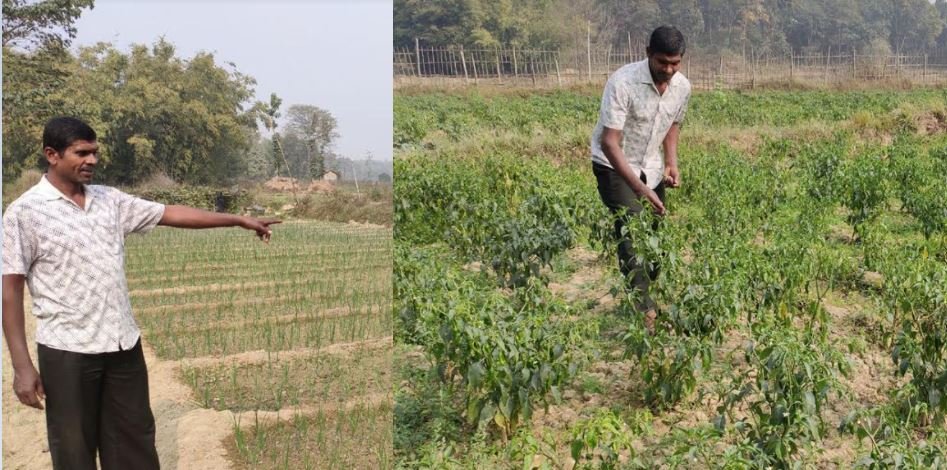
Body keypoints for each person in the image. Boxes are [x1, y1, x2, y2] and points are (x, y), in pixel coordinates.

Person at [2, 116, 281, 470]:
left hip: (122, 345)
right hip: (68, 350)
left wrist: (239, 220)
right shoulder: (25, 212)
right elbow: (10, 291)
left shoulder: (110, 201)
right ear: (52, 155)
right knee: (73, 450)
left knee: (134, 441)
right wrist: (22, 366)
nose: (92, 160)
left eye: (95, 153)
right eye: (82, 153)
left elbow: (171, 213)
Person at [590, 25, 691, 333]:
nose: (669, 69)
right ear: (648, 54)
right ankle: (645, 313)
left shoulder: (682, 87)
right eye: (663, 62)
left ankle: (642, 292)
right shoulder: (623, 82)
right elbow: (610, 142)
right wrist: (641, 189)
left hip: (652, 166)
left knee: (657, 241)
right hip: (613, 164)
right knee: (632, 230)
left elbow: (673, 124)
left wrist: (671, 163)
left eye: (675, 63)